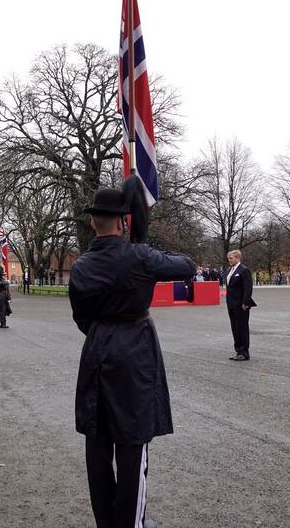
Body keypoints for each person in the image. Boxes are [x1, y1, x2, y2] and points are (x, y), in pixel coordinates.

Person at [70, 176, 197, 528]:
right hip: (135, 350)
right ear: (123, 221)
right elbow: (186, 265)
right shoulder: (140, 256)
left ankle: (108, 522)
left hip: (97, 346)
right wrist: (142, 242)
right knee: (133, 440)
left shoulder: (81, 266)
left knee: (98, 441)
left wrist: (103, 332)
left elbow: (81, 317)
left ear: (93, 222)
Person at [226, 250, 256, 361]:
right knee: (235, 327)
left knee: (242, 327)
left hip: (241, 304)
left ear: (238, 258)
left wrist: (245, 302)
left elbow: (248, 288)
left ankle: (244, 352)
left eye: (231, 258)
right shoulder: (230, 270)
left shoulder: (244, 270)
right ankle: (238, 351)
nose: (229, 260)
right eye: (229, 258)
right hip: (231, 304)